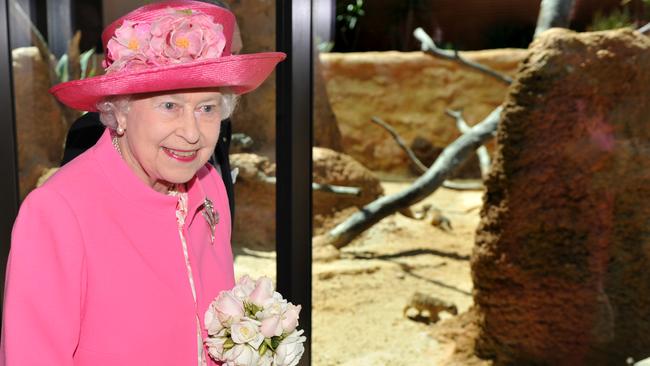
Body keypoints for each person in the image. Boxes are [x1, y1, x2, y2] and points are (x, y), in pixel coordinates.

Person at [0, 1, 285, 365]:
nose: (192, 133)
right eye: (169, 106)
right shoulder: (57, 212)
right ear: (119, 109)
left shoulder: (209, 183)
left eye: (207, 108)